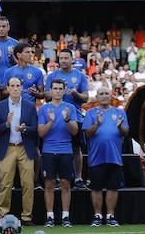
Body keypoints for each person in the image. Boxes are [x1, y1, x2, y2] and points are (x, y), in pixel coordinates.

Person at [0, 77, 38, 226]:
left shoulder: (30, 106)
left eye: (18, 85)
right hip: (7, 148)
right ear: (7, 88)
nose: (15, 88)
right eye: (12, 86)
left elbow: (35, 130)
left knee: (28, 184)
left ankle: (27, 217)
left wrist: (25, 128)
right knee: (5, 184)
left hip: (25, 148)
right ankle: (2, 216)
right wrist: (6, 124)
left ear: (22, 88)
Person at [83, 87, 128, 226]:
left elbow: (125, 132)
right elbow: (88, 134)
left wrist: (120, 126)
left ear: (111, 96)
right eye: (101, 94)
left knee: (113, 187)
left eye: (106, 93)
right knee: (96, 187)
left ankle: (110, 216)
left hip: (114, 156)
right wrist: (97, 123)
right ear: (96, 97)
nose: (104, 96)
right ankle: (97, 216)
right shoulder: (91, 113)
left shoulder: (119, 112)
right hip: (96, 157)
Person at [38, 79, 81, 227]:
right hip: (49, 150)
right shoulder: (44, 109)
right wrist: (50, 121)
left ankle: (65, 217)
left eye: (60, 88)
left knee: (65, 184)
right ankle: (50, 217)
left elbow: (75, 131)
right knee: (49, 184)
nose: (57, 91)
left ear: (64, 90)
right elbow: (41, 133)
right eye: (54, 88)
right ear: (50, 90)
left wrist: (67, 119)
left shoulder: (70, 108)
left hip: (66, 150)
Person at [45, 49, 89, 187]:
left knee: (76, 149)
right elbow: (46, 96)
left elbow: (86, 97)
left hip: (75, 117)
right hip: (55, 117)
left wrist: (76, 94)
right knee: (56, 147)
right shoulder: (53, 75)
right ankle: (56, 178)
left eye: (66, 58)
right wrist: (58, 93)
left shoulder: (80, 76)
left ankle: (78, 178)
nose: (63, 60)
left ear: (72, 59)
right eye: (61, 58)